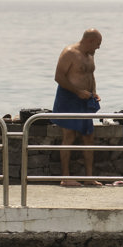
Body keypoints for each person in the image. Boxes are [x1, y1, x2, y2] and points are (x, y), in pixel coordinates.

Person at [52, 28, 103, 187]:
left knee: (88, 136)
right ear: (90, 41)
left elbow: (90, 76)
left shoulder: (90, 56)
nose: (98, 48)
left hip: (85, 99)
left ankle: (89, 176)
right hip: (69, 98)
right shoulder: (69, 53)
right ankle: (65, 177)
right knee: (69, 136)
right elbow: (58, 77)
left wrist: (93, 92)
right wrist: (77, 91)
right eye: (98, 44)